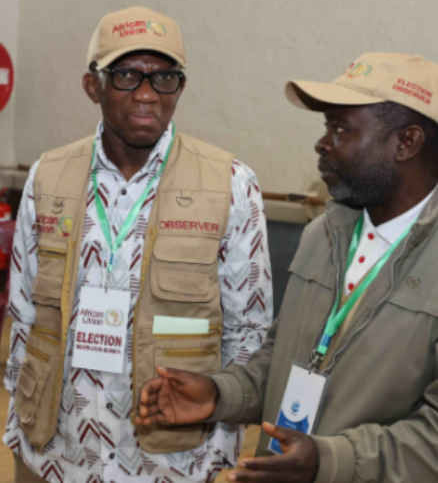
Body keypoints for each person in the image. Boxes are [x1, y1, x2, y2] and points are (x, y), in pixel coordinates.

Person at [137, 52, 438, 483]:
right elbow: (283, 358)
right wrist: (221, 393)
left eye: (339, 129)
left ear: (406, 143)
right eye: (325, 128)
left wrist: (330, 461)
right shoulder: (323, 233)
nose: (322, 143)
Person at [3, 6, 273, 482]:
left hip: (171, 458)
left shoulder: (230, 183)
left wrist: (221, 443)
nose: (147, 94)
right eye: (127, 75)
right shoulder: (49, 176)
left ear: (180, 87)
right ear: (94, 86)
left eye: (164, 77)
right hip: (57, 450)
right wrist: (19, 422)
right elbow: (25, 314)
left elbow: (248, 329)